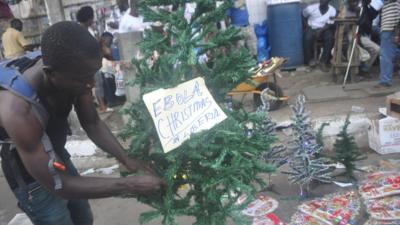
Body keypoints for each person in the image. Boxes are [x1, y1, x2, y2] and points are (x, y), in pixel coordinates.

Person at [0, 21, 165, 225]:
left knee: (83, 217)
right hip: (31, 175)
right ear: (50, 73)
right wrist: (128, 184)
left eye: (93, 74)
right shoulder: (17, 109)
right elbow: (59, 185)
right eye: (84, 79)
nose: (92, 84)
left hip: (56, 155)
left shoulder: (76, 74)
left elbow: (92, 122)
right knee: (57, 219)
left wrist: (125, 157)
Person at [303, 0, 337, 72]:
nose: (322, 0)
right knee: (307, 37)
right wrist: (307, 26)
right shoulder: (311, 8)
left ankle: (323, 61)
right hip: (312, 27)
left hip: (324, 29)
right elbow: (303, 15)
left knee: (330, 38)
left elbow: (329, 24)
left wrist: (320, 31)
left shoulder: (332, 10)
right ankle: (310, 60)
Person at [375, 0, 400, 87]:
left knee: (385, 54)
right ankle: (386, 79)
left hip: (389, 26)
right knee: (393, 52)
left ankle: (385, 81)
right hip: (391, 26)